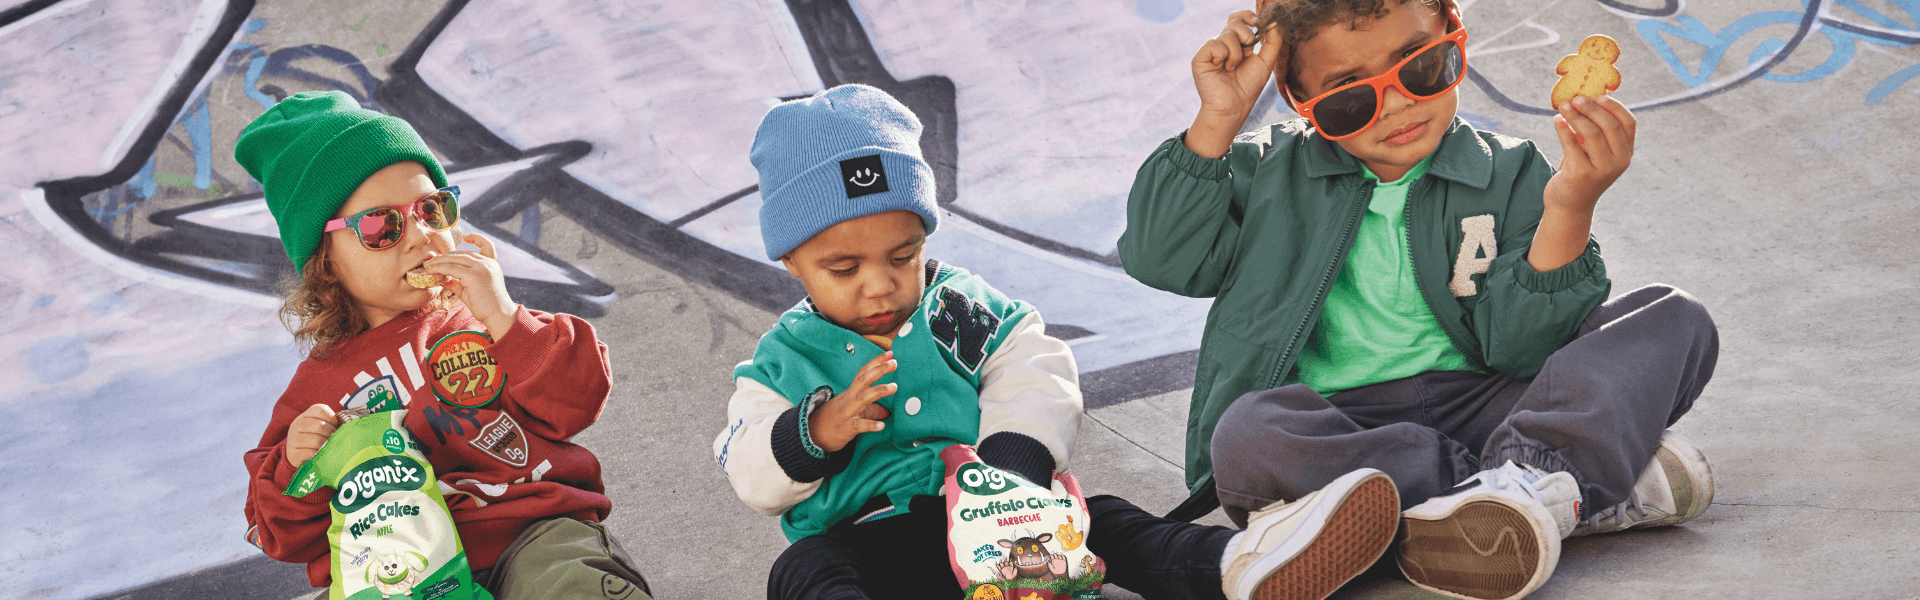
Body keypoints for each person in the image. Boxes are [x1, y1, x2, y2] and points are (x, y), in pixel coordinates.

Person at [1119, 2, 1720, 599]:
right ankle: (1559, 495)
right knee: (1248, 436)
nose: (1399, 104)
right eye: (1349, 98)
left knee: (1672, 317)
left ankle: (1526, 484)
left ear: (1456, 38)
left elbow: (1523, 348)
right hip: (1341, 432)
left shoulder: (1509, 172)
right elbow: (1161, 258)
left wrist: (1570, 206)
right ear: (1301, 100)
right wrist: (1219, 119)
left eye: (1421, 68)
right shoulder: (1263, 175)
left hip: (1492, 405)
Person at [714, 83, 1404, 600]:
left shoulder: (954, 305)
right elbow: (748, 464)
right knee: (803, 570)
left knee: (1103, 520)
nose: (880, 286)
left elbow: (1031, 363)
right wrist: (813, 433)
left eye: (903, 255)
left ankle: (1243, 564)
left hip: (1002, 523)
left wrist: (1014, 463)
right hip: (874, 548)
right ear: (792, 263)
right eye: (844, 269)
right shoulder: (785, 361)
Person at [236, 91, 651, 599]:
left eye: (432, 209)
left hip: (530, 534)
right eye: (380, 226)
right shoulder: (315, 390)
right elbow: (277, 531)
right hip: (400, 574)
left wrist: (504, 316)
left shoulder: (484, 319)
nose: (419, 236)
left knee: (570, 582)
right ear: (325, 260)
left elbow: (578, 399)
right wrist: (296, 464)